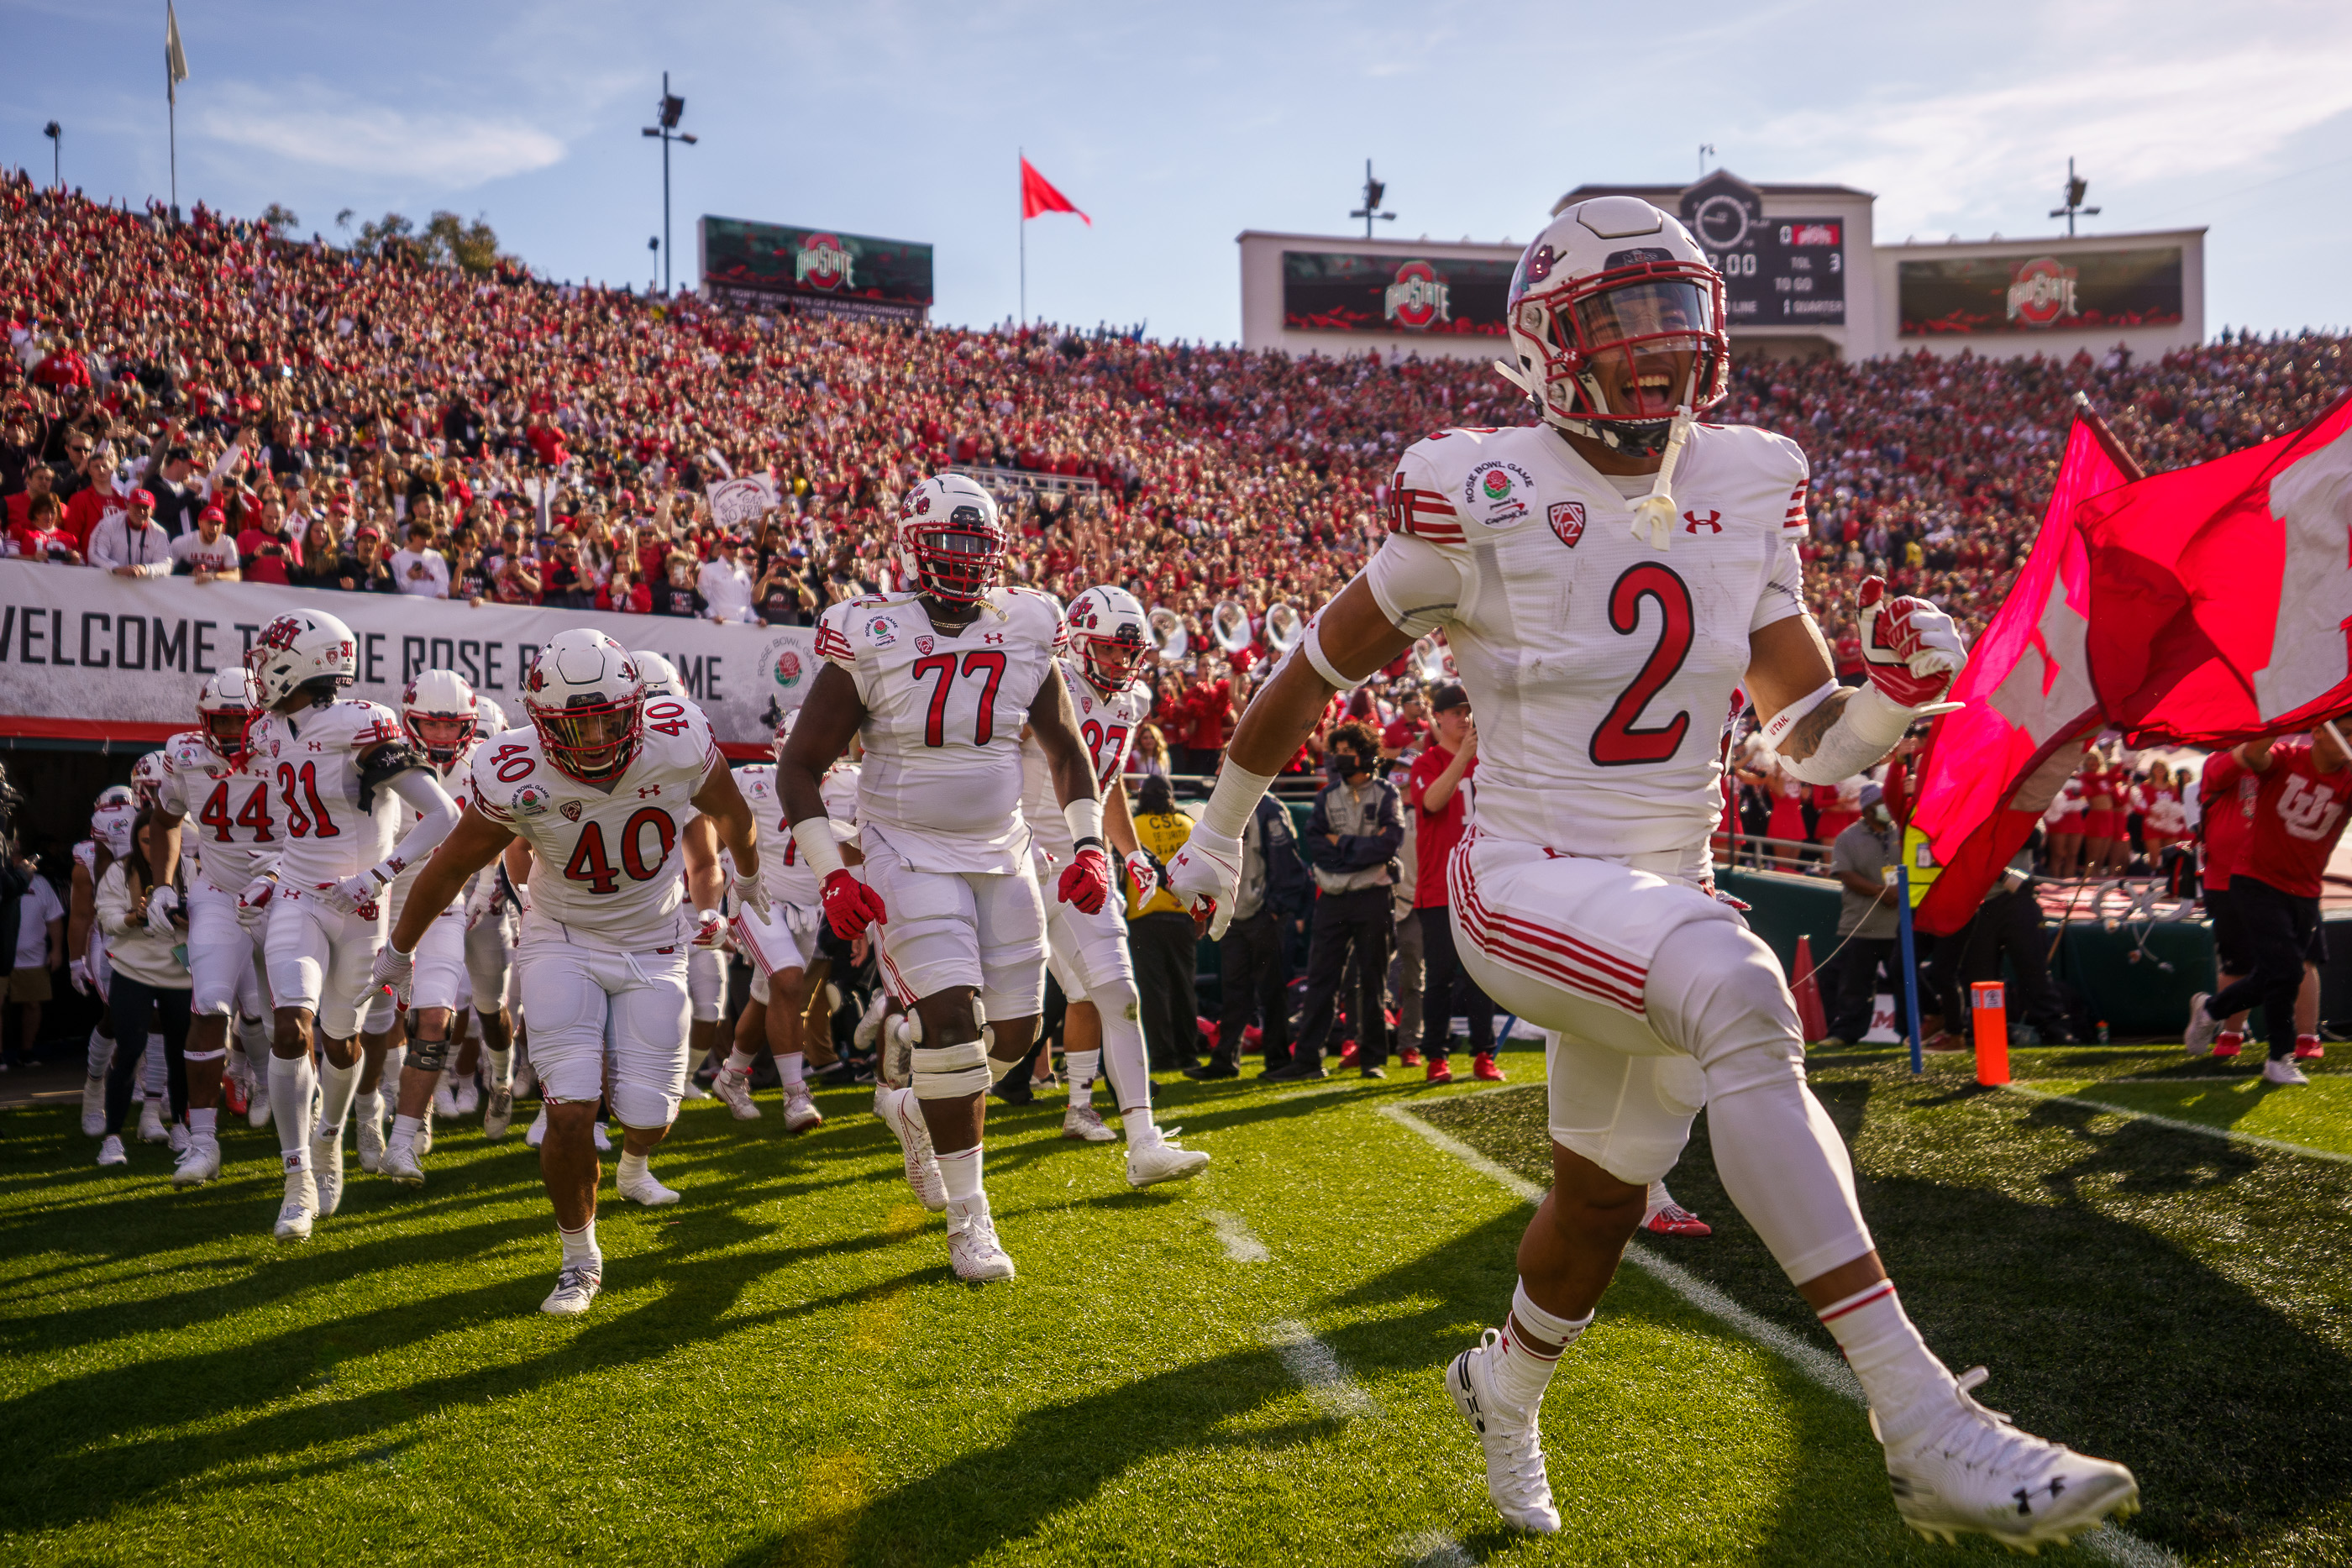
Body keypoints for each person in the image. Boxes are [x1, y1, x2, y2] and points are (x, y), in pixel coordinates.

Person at [1163, 197, 2136, 1549]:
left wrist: (1890, 700)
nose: (1661, 343)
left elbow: (1802, 737)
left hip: (1657, 884)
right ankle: (1922, 1420)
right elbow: (1317, 664)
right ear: (1550, 340)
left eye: (1679, 309)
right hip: (1522, 877)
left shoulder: (1747, 474)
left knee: (1605, 1194)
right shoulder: (1476, 481)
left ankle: (1501, 1385)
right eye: (1622, 315)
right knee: (1743, 990)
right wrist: (1218, 826)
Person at [380, 631, 765, 1314]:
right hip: (563, 938)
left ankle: (634, 1163)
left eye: (608, 718)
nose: (592, 738)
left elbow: (734, 814)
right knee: (571, 1109)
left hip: (654, 941)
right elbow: (450, 866)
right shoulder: (511, 765)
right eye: (572, 724)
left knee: (650, 1113)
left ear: (637, 707)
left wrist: (749, 877)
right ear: (540, 721)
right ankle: (578, 1257)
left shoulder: (679, 736)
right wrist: (400, 949)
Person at [777, 474, 1102, 1284]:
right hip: (907, 849)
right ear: (916, 547)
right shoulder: (871, 627)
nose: (962, 561)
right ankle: (970, 1218)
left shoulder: (1028, 621)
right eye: (947, 544)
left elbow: (1064, 746)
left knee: (1018, 1038)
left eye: (975, 545)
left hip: (1004, 847)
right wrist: (831, 874)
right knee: (954, 1023)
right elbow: (800, 766)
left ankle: (919, 1104)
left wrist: (1091, 843)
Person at [242, 608, 461, 1241]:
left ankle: (330, 1137)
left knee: (341, 1043)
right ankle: (295, 1179)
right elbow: (295, 823)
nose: (260, 669)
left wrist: (377, 875)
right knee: (292, 1025)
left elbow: (442, 814)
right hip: (298, 897)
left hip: (361, 908)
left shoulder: (363, 723)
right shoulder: (269, 729)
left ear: (306, 661)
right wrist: (270, 869)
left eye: (271, 655)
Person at [1016, 586, 1208, 1182]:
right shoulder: (1045, 680)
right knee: (1002, 1018)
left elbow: (1107, 782)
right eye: (1111, 649)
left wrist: (1133, 852)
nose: (1123, 663)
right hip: (1018, 858)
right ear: (1076, 642)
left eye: (1131, 652)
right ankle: (912, 1085)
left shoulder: (1131, 704)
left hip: (1083, 860)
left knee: (1117, 991)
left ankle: (1142, 1142)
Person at [145, 670, 279, 1186]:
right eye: (217, 718)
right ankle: (203, 1142)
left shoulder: (288, 747)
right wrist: (162, 885)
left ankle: (299, 1128)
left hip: (286, 888)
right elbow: (164, 820)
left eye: (236, 718)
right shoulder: (185, 755)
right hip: (220, 889)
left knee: (290, 1012)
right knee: (209, 1007)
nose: (225, 729)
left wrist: (277, 875)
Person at [372, 671, 492, 1186]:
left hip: (443, 908)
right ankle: (355, 1116)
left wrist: (485, 890)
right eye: (432, 726)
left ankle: (403, 1141)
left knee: (436, 1019)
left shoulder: (485, 766)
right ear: (410, 721)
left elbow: (503, 830)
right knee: (365, 1024)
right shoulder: (380, 758)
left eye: (453, 727)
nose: (443, 738)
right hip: (378, 909)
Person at [2185, 726, 2352, 1083]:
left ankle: (2212, 1009)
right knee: (2288, 969)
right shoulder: (2287, 757)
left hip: (2304, 888)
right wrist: (2277, 717)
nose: (2349, 741)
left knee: (2278, 970)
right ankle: (2279, 1057)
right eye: (2346, 732)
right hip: (2256, 879)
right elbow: (2254, 755)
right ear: (2319, 731)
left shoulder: (2348, 779)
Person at [722, 709, 858, 1135]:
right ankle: (796, 1095)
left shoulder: (849, 786)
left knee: (770, 995)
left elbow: (855, 855)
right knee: (788, 981)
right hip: (758, 900)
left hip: (806, 910)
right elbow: (713, 822)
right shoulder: (754, 781)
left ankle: (730, 1075)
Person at [1289, 721, 1403, 1081]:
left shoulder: (1387, 794)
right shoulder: (1324, 797)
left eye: (1346, 753)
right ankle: (1308, 1060)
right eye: (1334, 753)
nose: (1338, 759)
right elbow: (1318, 846)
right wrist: (1361, 851)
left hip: (1374, 896)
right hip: (1334, 898)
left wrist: (1343, 844)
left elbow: (1390, 843)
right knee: (1322, 979)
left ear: (1366, 755)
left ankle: (1372, 1060)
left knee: (1373, 978)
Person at [1406, 684, 1499, 1082]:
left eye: (1468, 710)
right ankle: (1436, 1057)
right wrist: (1463, 757)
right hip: (1440, 886)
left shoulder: (1492, 761)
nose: (1464, 717)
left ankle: (1484, 1054)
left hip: (1481, 886)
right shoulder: (1425, 762)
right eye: (1455, 712)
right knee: (1441, 975)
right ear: (1438, 717)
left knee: (1481, 975)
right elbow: (1433, 802)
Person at [92, 809, 193, 1170]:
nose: (154, 846)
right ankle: (113, 1136)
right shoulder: (120, 871)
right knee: (131, 1048)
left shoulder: (190, 870)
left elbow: (210, 916)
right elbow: (107, 919)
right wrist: (135, 916)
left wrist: (187, 917)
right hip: (132, 968)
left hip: (179, 973)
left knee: (182, 1053)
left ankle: (181, 1124)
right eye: (146, 839)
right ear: (136, 839)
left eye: (161, 838)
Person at [1188, 789, 1306, 1078]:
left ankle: (1277, 1059)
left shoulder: (1270, 808)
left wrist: (1276, 908)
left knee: (1271, 989)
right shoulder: (1222, 807)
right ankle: (1225, 1060)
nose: (1220, 770)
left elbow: (1287, 861)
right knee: (1234, 990)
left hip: (1262, 913)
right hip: (1233, 913)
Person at [1822, 784, 1903, 1048]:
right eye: (1882, 803)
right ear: (1868, 810)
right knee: (1854, 985)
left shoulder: (1903, 832)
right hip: (1860, 925)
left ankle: (1912, 1033)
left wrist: (1899, 891)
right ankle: (1845, 1033)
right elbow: (1845, 874)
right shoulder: (1848, 837)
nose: (1887, 808)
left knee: (1905, 983)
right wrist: (1881, 892)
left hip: (1898, 927)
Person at [4, 853, 62, 1072]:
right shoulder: (3, 880)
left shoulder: (41, 884)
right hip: (3, 956)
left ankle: (26, 1053)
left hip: (33, 957)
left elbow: (54, 918)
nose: (18, 861)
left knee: (33, 1004)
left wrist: (56, 950)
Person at [87, 488, 173, 578]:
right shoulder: (108, 524)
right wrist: (116, 568)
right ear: (127, 505)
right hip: (109, 583)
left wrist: (145, 569)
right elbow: (95, 554)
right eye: (137, 506)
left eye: (145, 507)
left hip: (143, 587)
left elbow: (166, 564)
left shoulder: (160, 533)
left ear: (152, 511)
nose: (141, 511)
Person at [169, 504, 241, 582]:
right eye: (210, 523)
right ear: (200, 523)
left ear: (223, 527)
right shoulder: (181, 542)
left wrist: (212, 576)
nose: (214, 528)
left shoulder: (227, 542)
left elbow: (235, 576)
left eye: (218, 524)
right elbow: (167, 571)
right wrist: (188, 574)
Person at [390, 518, 450, 598]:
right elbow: (395, 590)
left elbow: (442, 582)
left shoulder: (436, 557)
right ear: (413, 536)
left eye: (428, 539)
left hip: (431, 606)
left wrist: (441, 593)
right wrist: (409, 578)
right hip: (406, 607)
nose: (425, 542)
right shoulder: (396, 559)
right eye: (422, 538)